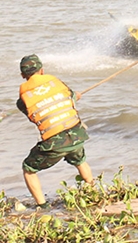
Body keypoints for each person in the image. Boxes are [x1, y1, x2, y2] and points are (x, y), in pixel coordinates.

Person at [17, 54, 94, 209]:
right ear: (42, 70)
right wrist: (75, 96)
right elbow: (71, 96)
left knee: (28, 168)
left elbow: (33, 116)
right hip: (77, 134)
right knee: (80, 160)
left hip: (55, 141)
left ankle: (42, 206)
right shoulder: (56, 82)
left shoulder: (22, 99)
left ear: (23, 75)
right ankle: (92, 191)